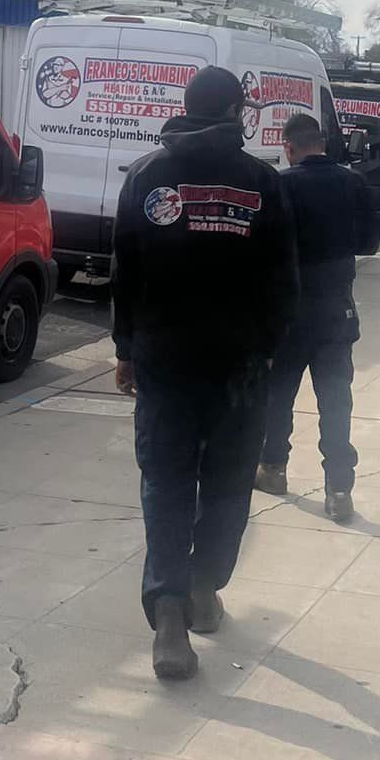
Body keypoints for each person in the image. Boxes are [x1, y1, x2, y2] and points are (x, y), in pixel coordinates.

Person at [112, 66, 297, 681]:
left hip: (165, 359)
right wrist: (268, 351)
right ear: (238, 111)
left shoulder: (147, 175)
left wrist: (126, 350)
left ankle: (170, 607)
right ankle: (201, 588)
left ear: (185, 109)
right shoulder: (262, 182)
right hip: (239, 365)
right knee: (226, 481)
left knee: (165, 479)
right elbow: (282, 281)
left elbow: (125, 273)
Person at [254, 109, 379, 521]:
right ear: (322, 144)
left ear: (288, 147)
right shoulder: (352, 182)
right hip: (335, 311)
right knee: (335, 402)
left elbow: (265, 250)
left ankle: (273, 468)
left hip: (287, 312)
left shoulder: (279, 185)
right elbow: (369, 243)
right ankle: (339, 490)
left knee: (278, 396)